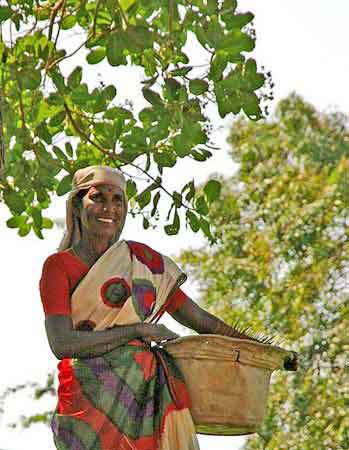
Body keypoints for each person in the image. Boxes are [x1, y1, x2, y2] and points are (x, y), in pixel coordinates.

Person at [39, 165, 276, 450]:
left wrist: (264, 351)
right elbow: (62, 342)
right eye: (98, 197)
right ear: (77, 206)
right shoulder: (59, 267)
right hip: (87, 404)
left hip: (147, 401)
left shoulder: (144, 266)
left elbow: (200, 320)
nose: (109, 208)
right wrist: (137, 330)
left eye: (117, 200)